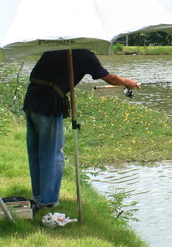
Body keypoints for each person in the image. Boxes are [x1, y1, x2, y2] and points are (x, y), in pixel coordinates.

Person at [22, 49, 140, 209]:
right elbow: (110, 79)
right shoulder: (84, 54)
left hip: (31, 100)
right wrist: (128, 82)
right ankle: (48, 201)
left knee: (36, 153)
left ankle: (38, 197)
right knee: (52, 154)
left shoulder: (55, 47)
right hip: (48, 103)